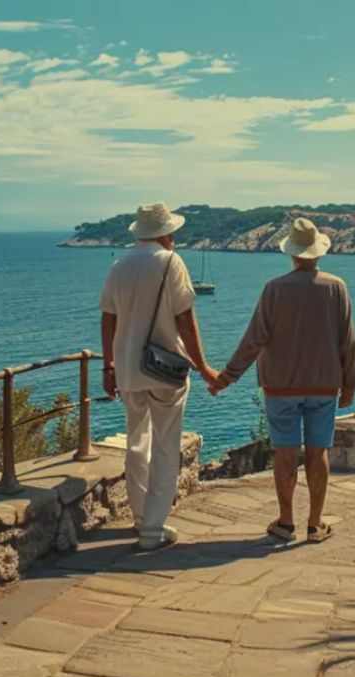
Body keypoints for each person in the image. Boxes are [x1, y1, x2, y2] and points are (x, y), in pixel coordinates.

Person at [208, 217, 355, 543]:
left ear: (292, 253)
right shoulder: (336, 288)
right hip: (323, 385)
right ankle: (316, 525)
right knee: (318, 454)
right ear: (318, 252)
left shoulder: (274, 289)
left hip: (280, 387)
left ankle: (286, 522)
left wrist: (226, 378)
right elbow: (348, 342)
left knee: (285, 454)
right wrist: (349, 386)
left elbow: (254, 340)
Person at [100, 202, 219, 550]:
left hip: (127, 369)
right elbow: (185, 319)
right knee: (167, 446)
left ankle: (139, 518)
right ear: (166, 233)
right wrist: (203, 365)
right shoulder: (170, 262)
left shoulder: (119, 266)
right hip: (165, 370)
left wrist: (108, 365)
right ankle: (152, 529)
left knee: (137, 442)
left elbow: (108, 318)